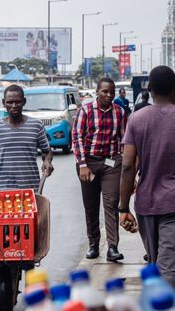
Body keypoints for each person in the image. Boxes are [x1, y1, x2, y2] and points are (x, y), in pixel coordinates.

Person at [119, 66, 175, 292]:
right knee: (168, 272)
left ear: (149, 89)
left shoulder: (136, 119)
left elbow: (128, 165)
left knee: (158, 267)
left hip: (146, 206)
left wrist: (123, 208)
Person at [72, 77, 126, 262]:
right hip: (89, 164)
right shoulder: (85, 111)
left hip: (111, 163)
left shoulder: (119, 112)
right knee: (91, 206)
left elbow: (124, 139)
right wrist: (83, 165)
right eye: (105, 91)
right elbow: (77, 138)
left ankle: (112, 247)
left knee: (111, 204)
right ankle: (93, 244)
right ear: (97, 91)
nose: (109, 95)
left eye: (111, 92)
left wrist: (125, 163)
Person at [0, 84, 54, 191]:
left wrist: (47, 161)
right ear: (3, 103)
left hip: (31, 189)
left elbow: (47, 150)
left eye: (18, 102)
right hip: (3, 189)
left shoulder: (36, 125)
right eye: (10, 102)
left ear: (24, 101)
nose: (14, 105)